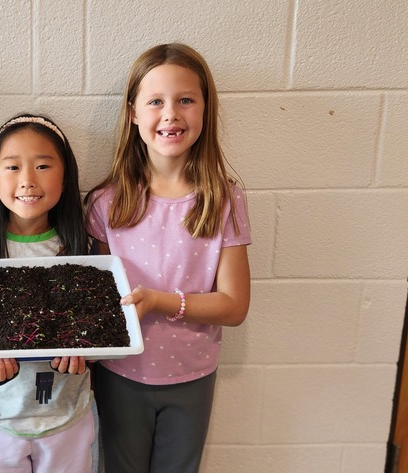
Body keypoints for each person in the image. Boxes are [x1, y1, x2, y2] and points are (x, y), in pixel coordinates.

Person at [84, 43, 252, 473]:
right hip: (120, 376)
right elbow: (100, 302)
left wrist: (161, 301)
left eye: (186, 100)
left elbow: (234, 306)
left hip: (192, 378)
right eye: (156, 101)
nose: (171, 114)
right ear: (134, 113)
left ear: (205, 109)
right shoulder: (108, 203)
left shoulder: (223, 200)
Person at [0, 113, 96, 473]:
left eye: (44, 165)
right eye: (13, 167)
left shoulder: (85, 251)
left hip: (69, 414)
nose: (28, 180)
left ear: (65, 179)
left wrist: (88, 354)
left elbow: (99, 330)